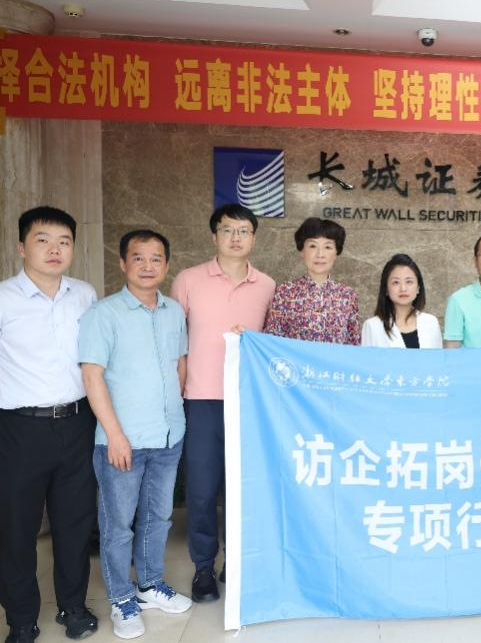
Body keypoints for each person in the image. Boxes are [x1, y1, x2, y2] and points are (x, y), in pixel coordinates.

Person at [0, 206, 99, 643]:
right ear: (21, 247)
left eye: (64, 241)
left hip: (77, 422)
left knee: (74, 524)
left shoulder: (84, 295)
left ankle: (73, 607)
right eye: (43, 240)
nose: (54, 249)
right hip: (19, 428)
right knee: (18, 529)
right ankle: (21, 619)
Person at [79, 230, 192, 640]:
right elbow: (92, 376)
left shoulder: (174, 312)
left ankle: (149, 585)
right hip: (122, 439)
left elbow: (180, 365)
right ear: (123, 263)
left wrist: (175, 415)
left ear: (166, 265)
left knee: (158, 517)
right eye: (138, 258)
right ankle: (122, 598)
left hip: (168, 436)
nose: (148, 266)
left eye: (156, 258)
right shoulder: (103, 314)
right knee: (118, 525)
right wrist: (114, 435)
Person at [170, 204, 276, 603]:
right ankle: (203, 567)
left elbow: (272, 344)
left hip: (250, 402)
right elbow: (173, 342)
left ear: (254, 238)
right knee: (200, 489)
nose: (235, 237)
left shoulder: (267, 286)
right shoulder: (188, 280)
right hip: (201, 400)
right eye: (228, 230)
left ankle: (237, 559)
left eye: (243, 231)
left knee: (243, 487)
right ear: (214, 235)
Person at [264, 217, 359, 344]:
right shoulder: (285, 292)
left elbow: (353, 343)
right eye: (313, 246)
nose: (320, 254)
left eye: (328, 247)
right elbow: (272, 340)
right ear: (302, 251)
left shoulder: (347, 295)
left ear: (336, 253)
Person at [361, 254, 442, 348]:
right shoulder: (372, 326)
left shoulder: (431, 322)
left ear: (418, 288)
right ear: (386, 289)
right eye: (396, 282)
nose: (403, 288)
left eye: (409, 282)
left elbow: (438, 357)